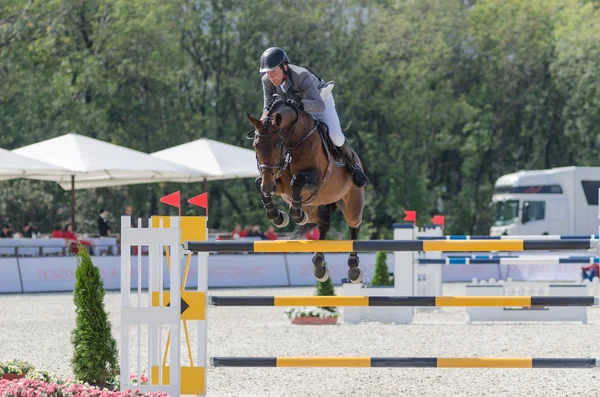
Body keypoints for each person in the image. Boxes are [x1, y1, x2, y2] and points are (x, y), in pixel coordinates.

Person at [259, 46, 369, 188]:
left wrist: (299, 104)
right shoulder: (266, 81)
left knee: (335, 135)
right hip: (297, 111)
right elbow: (268, 108)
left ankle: (354, 166)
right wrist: (262, 126)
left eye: (273, 72)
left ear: (284, 67)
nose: (271, 77)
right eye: (268, 73)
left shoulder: (301, 75)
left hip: (320, 102)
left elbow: (319, 105)